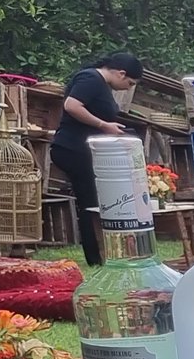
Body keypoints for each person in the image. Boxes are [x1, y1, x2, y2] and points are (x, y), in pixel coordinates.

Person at [47, 50, 142, 268]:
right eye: (130, 83)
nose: (129, 88)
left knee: (94, 200)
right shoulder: (90, 78)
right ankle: (95, 257)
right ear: (121, 73)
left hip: (82, 150)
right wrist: (103, 125)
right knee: (90, 202)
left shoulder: (100, 84)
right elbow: (72, 105)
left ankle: (101, 253)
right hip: (73, 149)